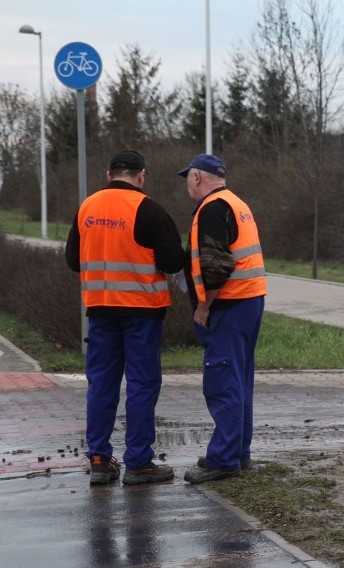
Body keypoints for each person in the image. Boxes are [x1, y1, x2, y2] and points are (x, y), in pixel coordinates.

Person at [65, 149, 184, 486]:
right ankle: (139, 463)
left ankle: (100, 460)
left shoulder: (86, 208)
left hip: (100, 310)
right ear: (141, 176)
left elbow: (74, 260)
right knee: (142, 385)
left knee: (101, 384)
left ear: (109, 174)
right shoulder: (150, 210)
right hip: (142, 312)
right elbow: (174, 261)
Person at [177, 153, 267, 485]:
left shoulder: (212, 209)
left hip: (229, 305)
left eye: (188, 178)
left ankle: (224, 459)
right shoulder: (236, 203)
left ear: (198, 178)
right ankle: (238, 452)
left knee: (223, 382)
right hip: (250, 301)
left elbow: (216, 265)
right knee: (239, 380)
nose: (187, 184)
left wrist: (203, 306)